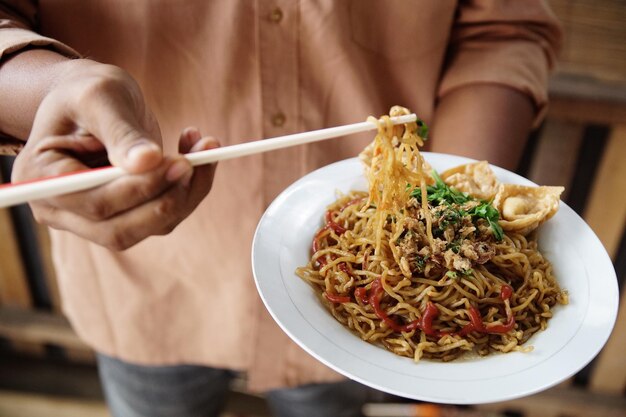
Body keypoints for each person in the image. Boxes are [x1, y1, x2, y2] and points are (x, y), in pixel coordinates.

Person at [0, 1, 562, 416]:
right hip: (151, 283)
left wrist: (450, 206)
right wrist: (54, 86)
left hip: (360, 309)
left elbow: (504, 29)